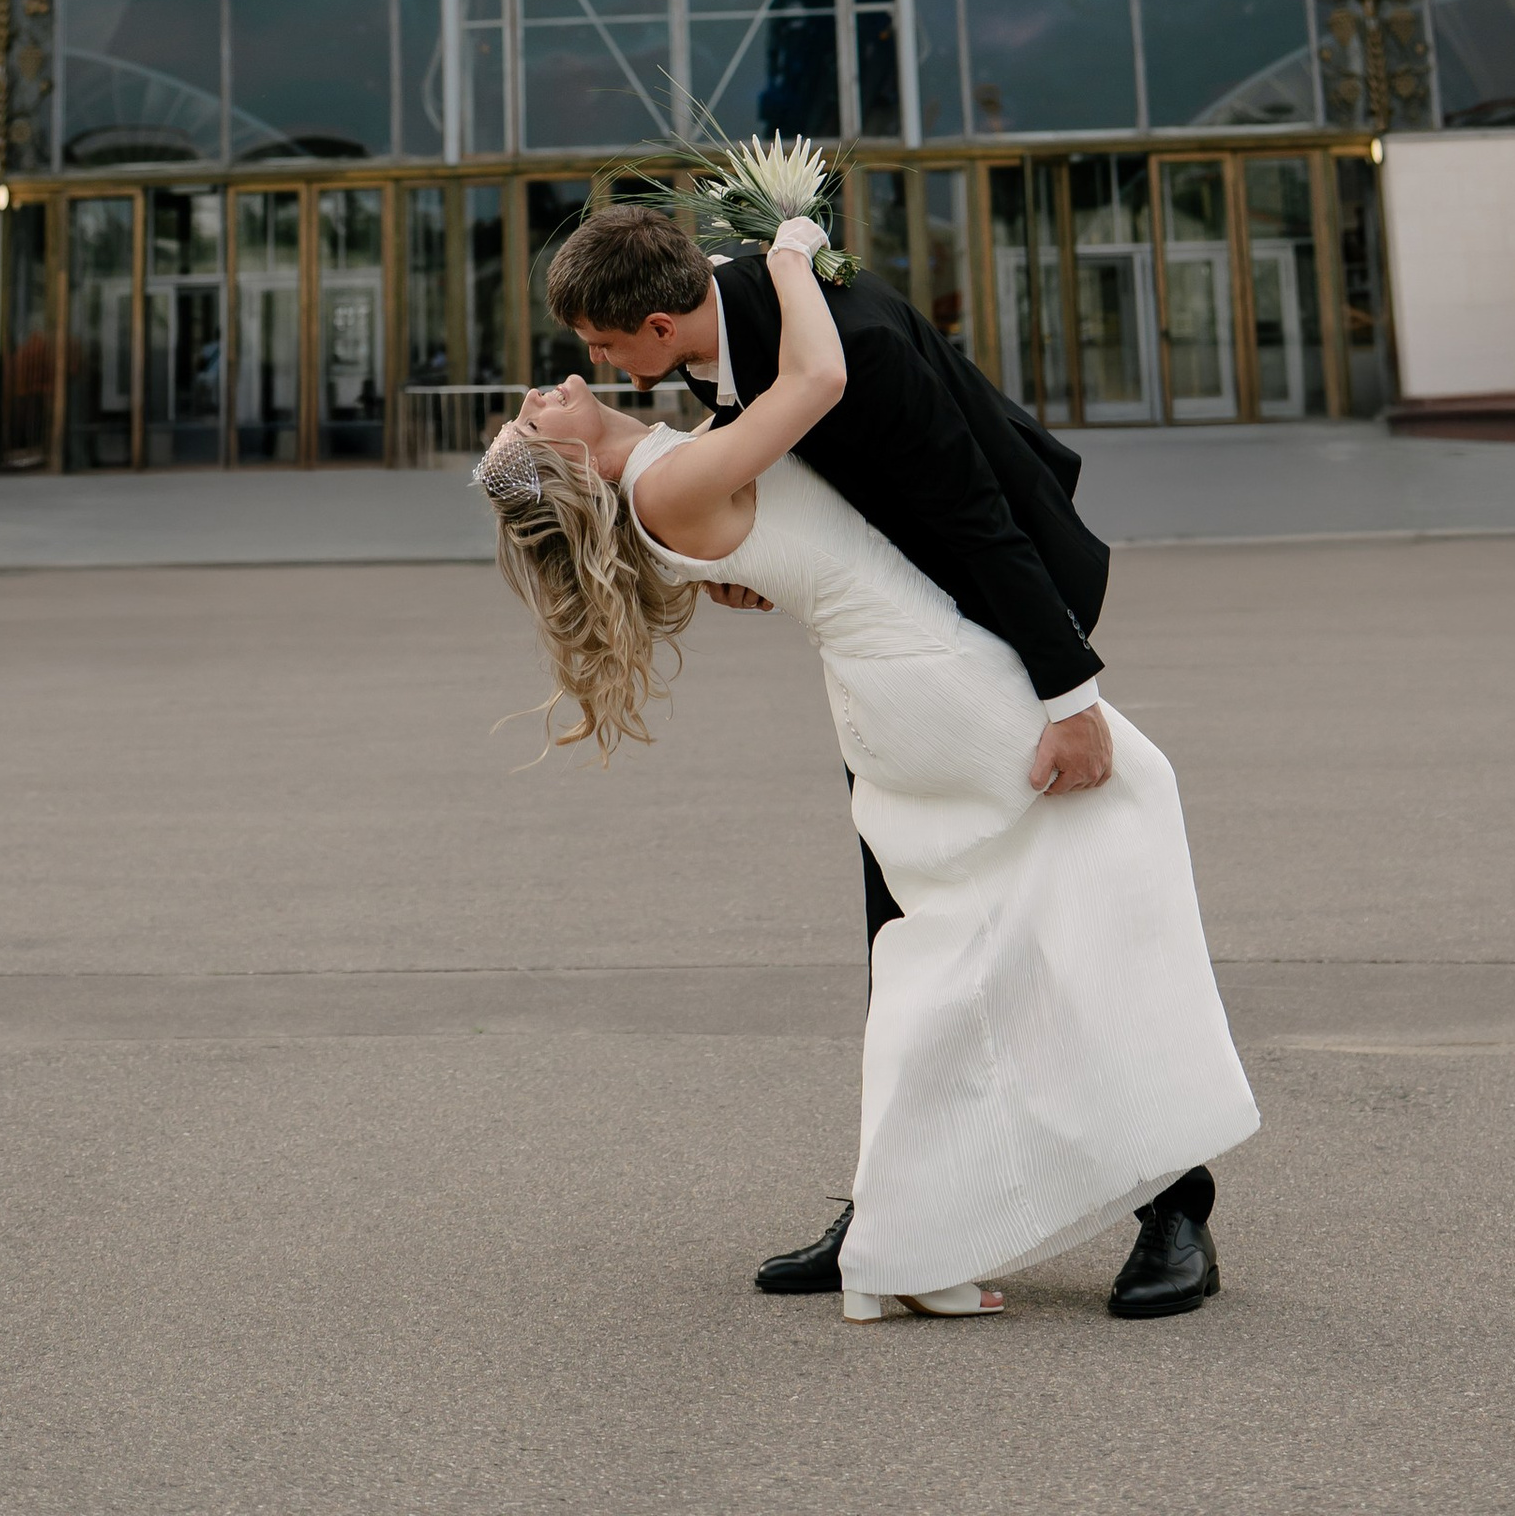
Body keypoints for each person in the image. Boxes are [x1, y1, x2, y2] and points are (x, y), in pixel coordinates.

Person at [482, 207, 1257, 1322]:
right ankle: (907, 1212)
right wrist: (794, 251)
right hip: (915, 682)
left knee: (1021, 930)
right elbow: (795, 425)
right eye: (557, 394)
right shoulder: (750, 359)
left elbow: (973, 514)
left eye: (599, 349)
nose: (573, 372)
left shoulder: (831, 348)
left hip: (976, 627)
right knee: (939, 945)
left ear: (661, 319)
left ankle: (1164, 1206)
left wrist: (1064, 686)